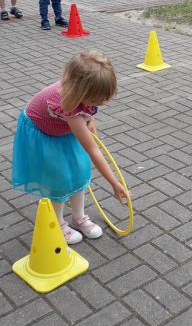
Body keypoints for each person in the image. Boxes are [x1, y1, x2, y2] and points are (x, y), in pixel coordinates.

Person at [11, 49, 129, 244]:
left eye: (105, 98)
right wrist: (114, 183)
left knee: (79, 171)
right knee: (60, 179)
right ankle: (57, 223)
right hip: (43, 134)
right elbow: (93, 150)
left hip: (63, 129)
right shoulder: (69, 106)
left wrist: (90, 119)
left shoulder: (82, 95)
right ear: (81, 92)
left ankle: (79, 217)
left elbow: (88, 113)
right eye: (97, 100)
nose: (103, 103)